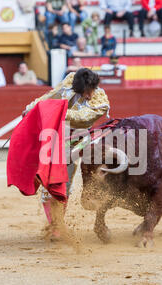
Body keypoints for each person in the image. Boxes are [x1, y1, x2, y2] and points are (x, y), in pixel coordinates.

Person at [21, 68, 110, 239]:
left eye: (92, 90)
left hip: (80, 139)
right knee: (46, 178)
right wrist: (31, 108)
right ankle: (55, 224)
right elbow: (49, 96)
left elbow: (83, 118)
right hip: (57, 135)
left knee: (63, 178)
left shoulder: (100, 99)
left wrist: (54, 110)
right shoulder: (69, 83)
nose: (90, 95)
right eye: (86, 92)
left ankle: (57, 224)